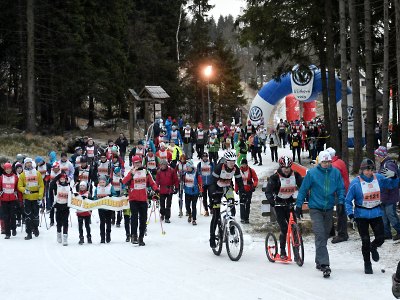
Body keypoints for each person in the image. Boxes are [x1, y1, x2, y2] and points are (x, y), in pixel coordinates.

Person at [295, 151, 345, 278]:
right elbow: (303, 189)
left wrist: (340, 202)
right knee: (320, 232)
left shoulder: (335, 173)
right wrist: (299, 205)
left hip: (328, 208)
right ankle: (325, 264)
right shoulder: (312, 173)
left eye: (328, 162)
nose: (326, 164)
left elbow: (340, 188)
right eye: (324, 162)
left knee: (325, 234)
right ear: (319, 162)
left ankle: (319, 260)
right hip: (315, 208)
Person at [345, 158, 399, 274]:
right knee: (365, 240)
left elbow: (392, 185)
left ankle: (373, 247)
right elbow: (348, 200)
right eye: (367, 170)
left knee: (381, 238)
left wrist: (394, 176)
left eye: (371, 169)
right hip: (361, 215)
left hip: (376, 213)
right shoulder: (355, 183)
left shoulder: (378, 178)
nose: (369, 172)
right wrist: (350, 214)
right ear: (362, 170)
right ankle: (367, 264)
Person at [265, 156, 303, 259]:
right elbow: (268, 191)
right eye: (284, 167)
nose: (286, 170)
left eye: (288, 167)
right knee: (284, 228)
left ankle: (296, 252)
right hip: (279, 204)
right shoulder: (275, 177)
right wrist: (272, 202)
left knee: (294, 227)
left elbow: (303, 187)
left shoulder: (296, 175)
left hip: (290, 202)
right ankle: (282, 251)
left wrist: (303, 198)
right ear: (280, 167)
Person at [209, 151, 245, 248]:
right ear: (225, 162)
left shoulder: (235, 168)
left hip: (227, 188)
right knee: (216, 216)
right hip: (216, 189)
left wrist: (243, 194)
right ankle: (212, 237)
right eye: (230, 162)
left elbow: (239, 182)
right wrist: (213, 197)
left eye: (234, 161)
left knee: (232, 206)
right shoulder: (219, 168)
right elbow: (212, 183)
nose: (232, 164)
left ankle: (231, 225)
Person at [122, 155, 159, 246]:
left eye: (138, 162)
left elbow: (152, 182)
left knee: (143, 219)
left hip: (143, 198)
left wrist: (157, 190)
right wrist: (131, 174)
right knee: (134, 217)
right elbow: (124, 182)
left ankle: (141, 237)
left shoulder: (146, 172)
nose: (137, 164)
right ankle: (134, 235)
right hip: (133, 198)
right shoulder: (131, 172)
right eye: (135, 163)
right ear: (133, 164)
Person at [374, 146, 400, 240]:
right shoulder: (383, 164)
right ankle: (386, 233)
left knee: (391, 214)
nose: (376, 158)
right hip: (384, 195)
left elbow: (393, 175)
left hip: (390, 195)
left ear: (380, 156)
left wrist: (393, 176)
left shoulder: (388, 164)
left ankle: (399, 230)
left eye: (376, 156)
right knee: (384, 215)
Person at [325, 147, 350, 244]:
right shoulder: (340, 161)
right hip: (342, 190)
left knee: (340, 212)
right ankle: (332, 231)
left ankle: (342, 234)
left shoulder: (334, 166)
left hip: (339, 192)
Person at [18, 158, 45, 240]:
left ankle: (36, 228)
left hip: (36, 197)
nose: (29, 164)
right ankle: (28, 232)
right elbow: (19, 186)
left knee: (36, 214)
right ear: (25, 164)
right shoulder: (23, 174)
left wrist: (40, 197)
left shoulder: (37, 173)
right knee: (28, 215)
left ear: (32, 163)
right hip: (27, 197)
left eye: (30, 163)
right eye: (27, 163)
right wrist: (24, 190)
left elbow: (41, 186)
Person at [49, 173, 71, 246]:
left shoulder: (68, 186)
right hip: (58, 205)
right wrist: (58, 176)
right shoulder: (56, 186)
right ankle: (59, 234)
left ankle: (65, 237)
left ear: (65, 179)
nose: (62, 180)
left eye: (63, 179)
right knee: (58, 222)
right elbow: (51, 184)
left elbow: (72, 195)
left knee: (65, 222)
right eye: (61, 179)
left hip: (66, 206)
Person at [94, 175, 116, 243]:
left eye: (103, 182)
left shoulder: (110, 187)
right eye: (100, 182)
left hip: (108, 208)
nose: (101, 184)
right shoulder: (97, 188)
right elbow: (95, 196)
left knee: (108, 222)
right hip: (101, 208)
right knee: (102, 222)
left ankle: (108, 235)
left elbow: (114, 195)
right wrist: (96, 199)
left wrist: (110, 196)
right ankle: (102, 238)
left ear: (106, 182)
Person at [235, 159, 258, 224]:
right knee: (242, 203)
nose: (243, 165)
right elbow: (237, 181)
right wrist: (236, 189)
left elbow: (255, 179)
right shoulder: (238, 171)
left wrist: (254, 186)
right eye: (242, 164)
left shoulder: (251, 170)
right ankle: (242, 218)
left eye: (245, 164)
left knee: (247, 204)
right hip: (241, 189)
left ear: (247, 164)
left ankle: (246, 218)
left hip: (249, 189)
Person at [0, 163, 19, 239]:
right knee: (6, 216)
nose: (8, 170)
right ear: (4, 169)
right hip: (4, 199)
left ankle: (13, 228)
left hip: (13, 199)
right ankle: (8, 233)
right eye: (6, 169)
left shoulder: (15, 177)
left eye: (9, 168)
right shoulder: (1, 177)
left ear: (11, 169)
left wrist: (19, 198)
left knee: (12, 215)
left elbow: (17, 188)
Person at [183, 160, 202, 225]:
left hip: (195, 192)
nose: (187, 168)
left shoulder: (196, 173)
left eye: (188, 167)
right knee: (187, 206)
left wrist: (201, 191)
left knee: (194, 206)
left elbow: (200, 182)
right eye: (186, 167)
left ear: (191, 167)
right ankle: (190, 214)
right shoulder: (185, 173)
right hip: (187, 192)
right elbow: (182, 181)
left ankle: (194, 219)